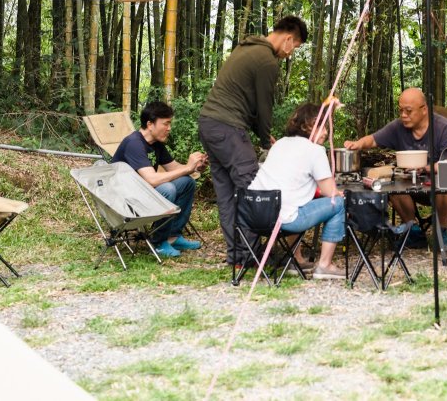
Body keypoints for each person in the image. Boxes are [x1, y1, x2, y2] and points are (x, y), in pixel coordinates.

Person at [198, 15, 309, 268]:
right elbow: (264, 105)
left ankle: (239, 257)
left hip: (209, 124)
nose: (291, 54)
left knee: (227, 195)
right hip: (228, 128)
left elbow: (243, 98)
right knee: (253, 192)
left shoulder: (246, 47)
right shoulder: (267, 60)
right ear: (289, 39)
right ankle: (252, 254)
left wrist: (259, 131)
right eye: (296, 47)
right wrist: (267, 141)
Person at [344, 87, 447, 249]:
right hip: (408, 185)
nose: (403, 115)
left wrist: (425, 168)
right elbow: (372, 140)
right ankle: (412, 231)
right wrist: (357, 144)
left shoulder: (443, 128)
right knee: (390, 184)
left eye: (408, 111)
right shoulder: (398, 127)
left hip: (436, 186)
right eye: (401, 110)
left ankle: (441, 232)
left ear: (424, 109)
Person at [247, 103, 347, 279]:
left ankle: (295, 259)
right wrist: (340, 193)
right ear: (305, 126)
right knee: (338, 204)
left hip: (253, 214)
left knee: (297, 201)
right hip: (283, 220)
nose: (325, 132)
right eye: (321, 126)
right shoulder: (316, 150)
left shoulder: (280, 144)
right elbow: (330, 193)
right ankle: (325, 265)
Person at [111, 101, 208, 258]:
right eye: (166, 124)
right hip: (125, 200)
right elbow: (152, 180)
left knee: (187, 182)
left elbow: (175, 168)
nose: (169, 128)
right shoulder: (134, 143)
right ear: (150, 124)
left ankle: (173, 236)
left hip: (142, 193)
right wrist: (187, 168)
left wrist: (195, 166)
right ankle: (158, 242)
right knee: (167, 188)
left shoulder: (156, 144)